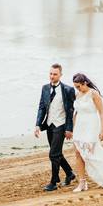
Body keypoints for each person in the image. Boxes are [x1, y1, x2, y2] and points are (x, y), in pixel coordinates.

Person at [34, 63, 76, 192]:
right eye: (50, 74)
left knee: (53, 154)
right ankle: (69, 173)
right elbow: (42, 107)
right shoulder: (45, 88)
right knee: (56, 153)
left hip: (61, 125)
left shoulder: (68, 90)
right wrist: (37, 124)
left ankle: (54, 181)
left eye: (55, 74)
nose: (52, 76)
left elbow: (71, 111)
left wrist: (69, 129)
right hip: (49, 125)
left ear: (60, 75)